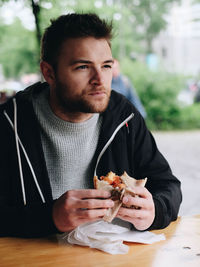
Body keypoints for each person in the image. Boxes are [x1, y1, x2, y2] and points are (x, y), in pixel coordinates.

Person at [0, 13, 182, 238]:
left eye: (106, 66)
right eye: (83, 67)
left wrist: (155, 210)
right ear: (49, 72)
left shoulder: (124, 116)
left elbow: (169, 186)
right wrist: (50, 217)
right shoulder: (9, 123)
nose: (99, 79)